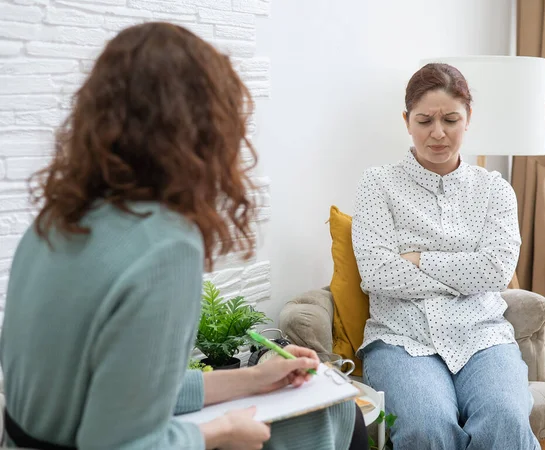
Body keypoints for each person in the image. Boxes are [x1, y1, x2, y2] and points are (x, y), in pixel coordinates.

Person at [0, 23, 367, 450]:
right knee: (341, 413)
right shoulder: (164, 248)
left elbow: (126, 389)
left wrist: (251, 379)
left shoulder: (58, 219)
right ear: (205, 130)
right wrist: (222, 434)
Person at [351, 63, 540, 450]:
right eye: (424, 120)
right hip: (402, 339)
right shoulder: (377, 184)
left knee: (504, 417)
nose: (438, 133)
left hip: (482, 336)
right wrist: (465, 270)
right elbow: (376, 273)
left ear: (468, 120)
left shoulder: (495, 190)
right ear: (407, 122)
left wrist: (418, 258)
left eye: (451, 119)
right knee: (426, 427)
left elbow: (497, 271)